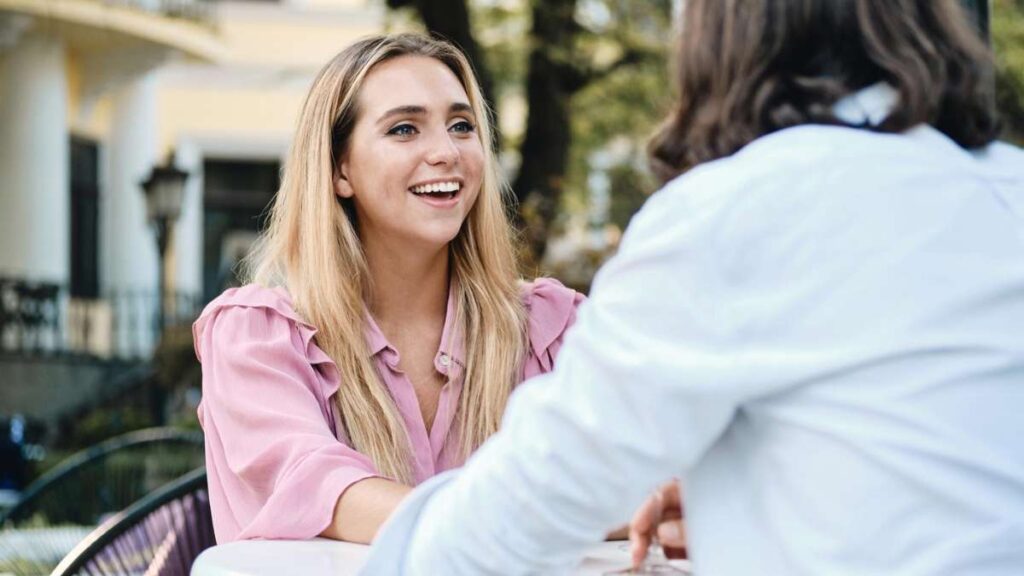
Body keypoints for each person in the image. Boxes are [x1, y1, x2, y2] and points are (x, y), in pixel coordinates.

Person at [362, 0, 1024, 574]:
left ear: (726, 33)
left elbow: (533, 502)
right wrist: (738, 496)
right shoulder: (1010, 189)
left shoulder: (738, 211)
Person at [192, 34, 583, 545]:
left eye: (462, 126)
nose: (445, 152)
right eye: (404, 129)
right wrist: (551, 507)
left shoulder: (549, 330)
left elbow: (638, 479)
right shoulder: (257, 340)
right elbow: (325, 495)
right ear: (339, 170)